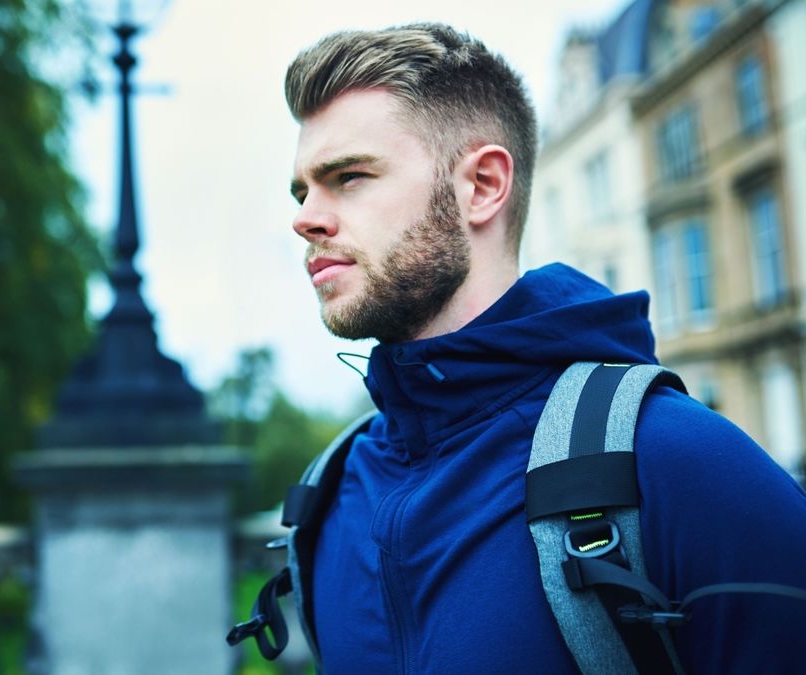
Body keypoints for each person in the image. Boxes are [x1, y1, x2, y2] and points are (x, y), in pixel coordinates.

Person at [283, 23, 806, 673]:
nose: (305, 216)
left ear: (481, 186)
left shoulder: (676, 462)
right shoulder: (331, 497)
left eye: (349, 176)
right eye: (303, 189)